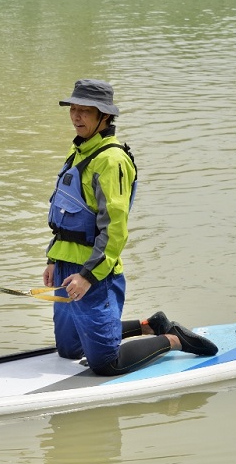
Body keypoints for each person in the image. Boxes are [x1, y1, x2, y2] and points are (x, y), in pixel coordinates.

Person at [42, 79, 217, 376]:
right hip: (64, 266)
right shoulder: (79, 151)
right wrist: (52, 259)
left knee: (106, 364)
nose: (76, 116)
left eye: (85, 110)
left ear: (105, 116)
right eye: (73, 109)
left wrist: (87, 276)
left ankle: (173, 339)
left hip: (93, 272)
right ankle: (149, 324)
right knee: (70, 349)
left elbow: (115, 230)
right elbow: (64, 214)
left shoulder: (112, 160)